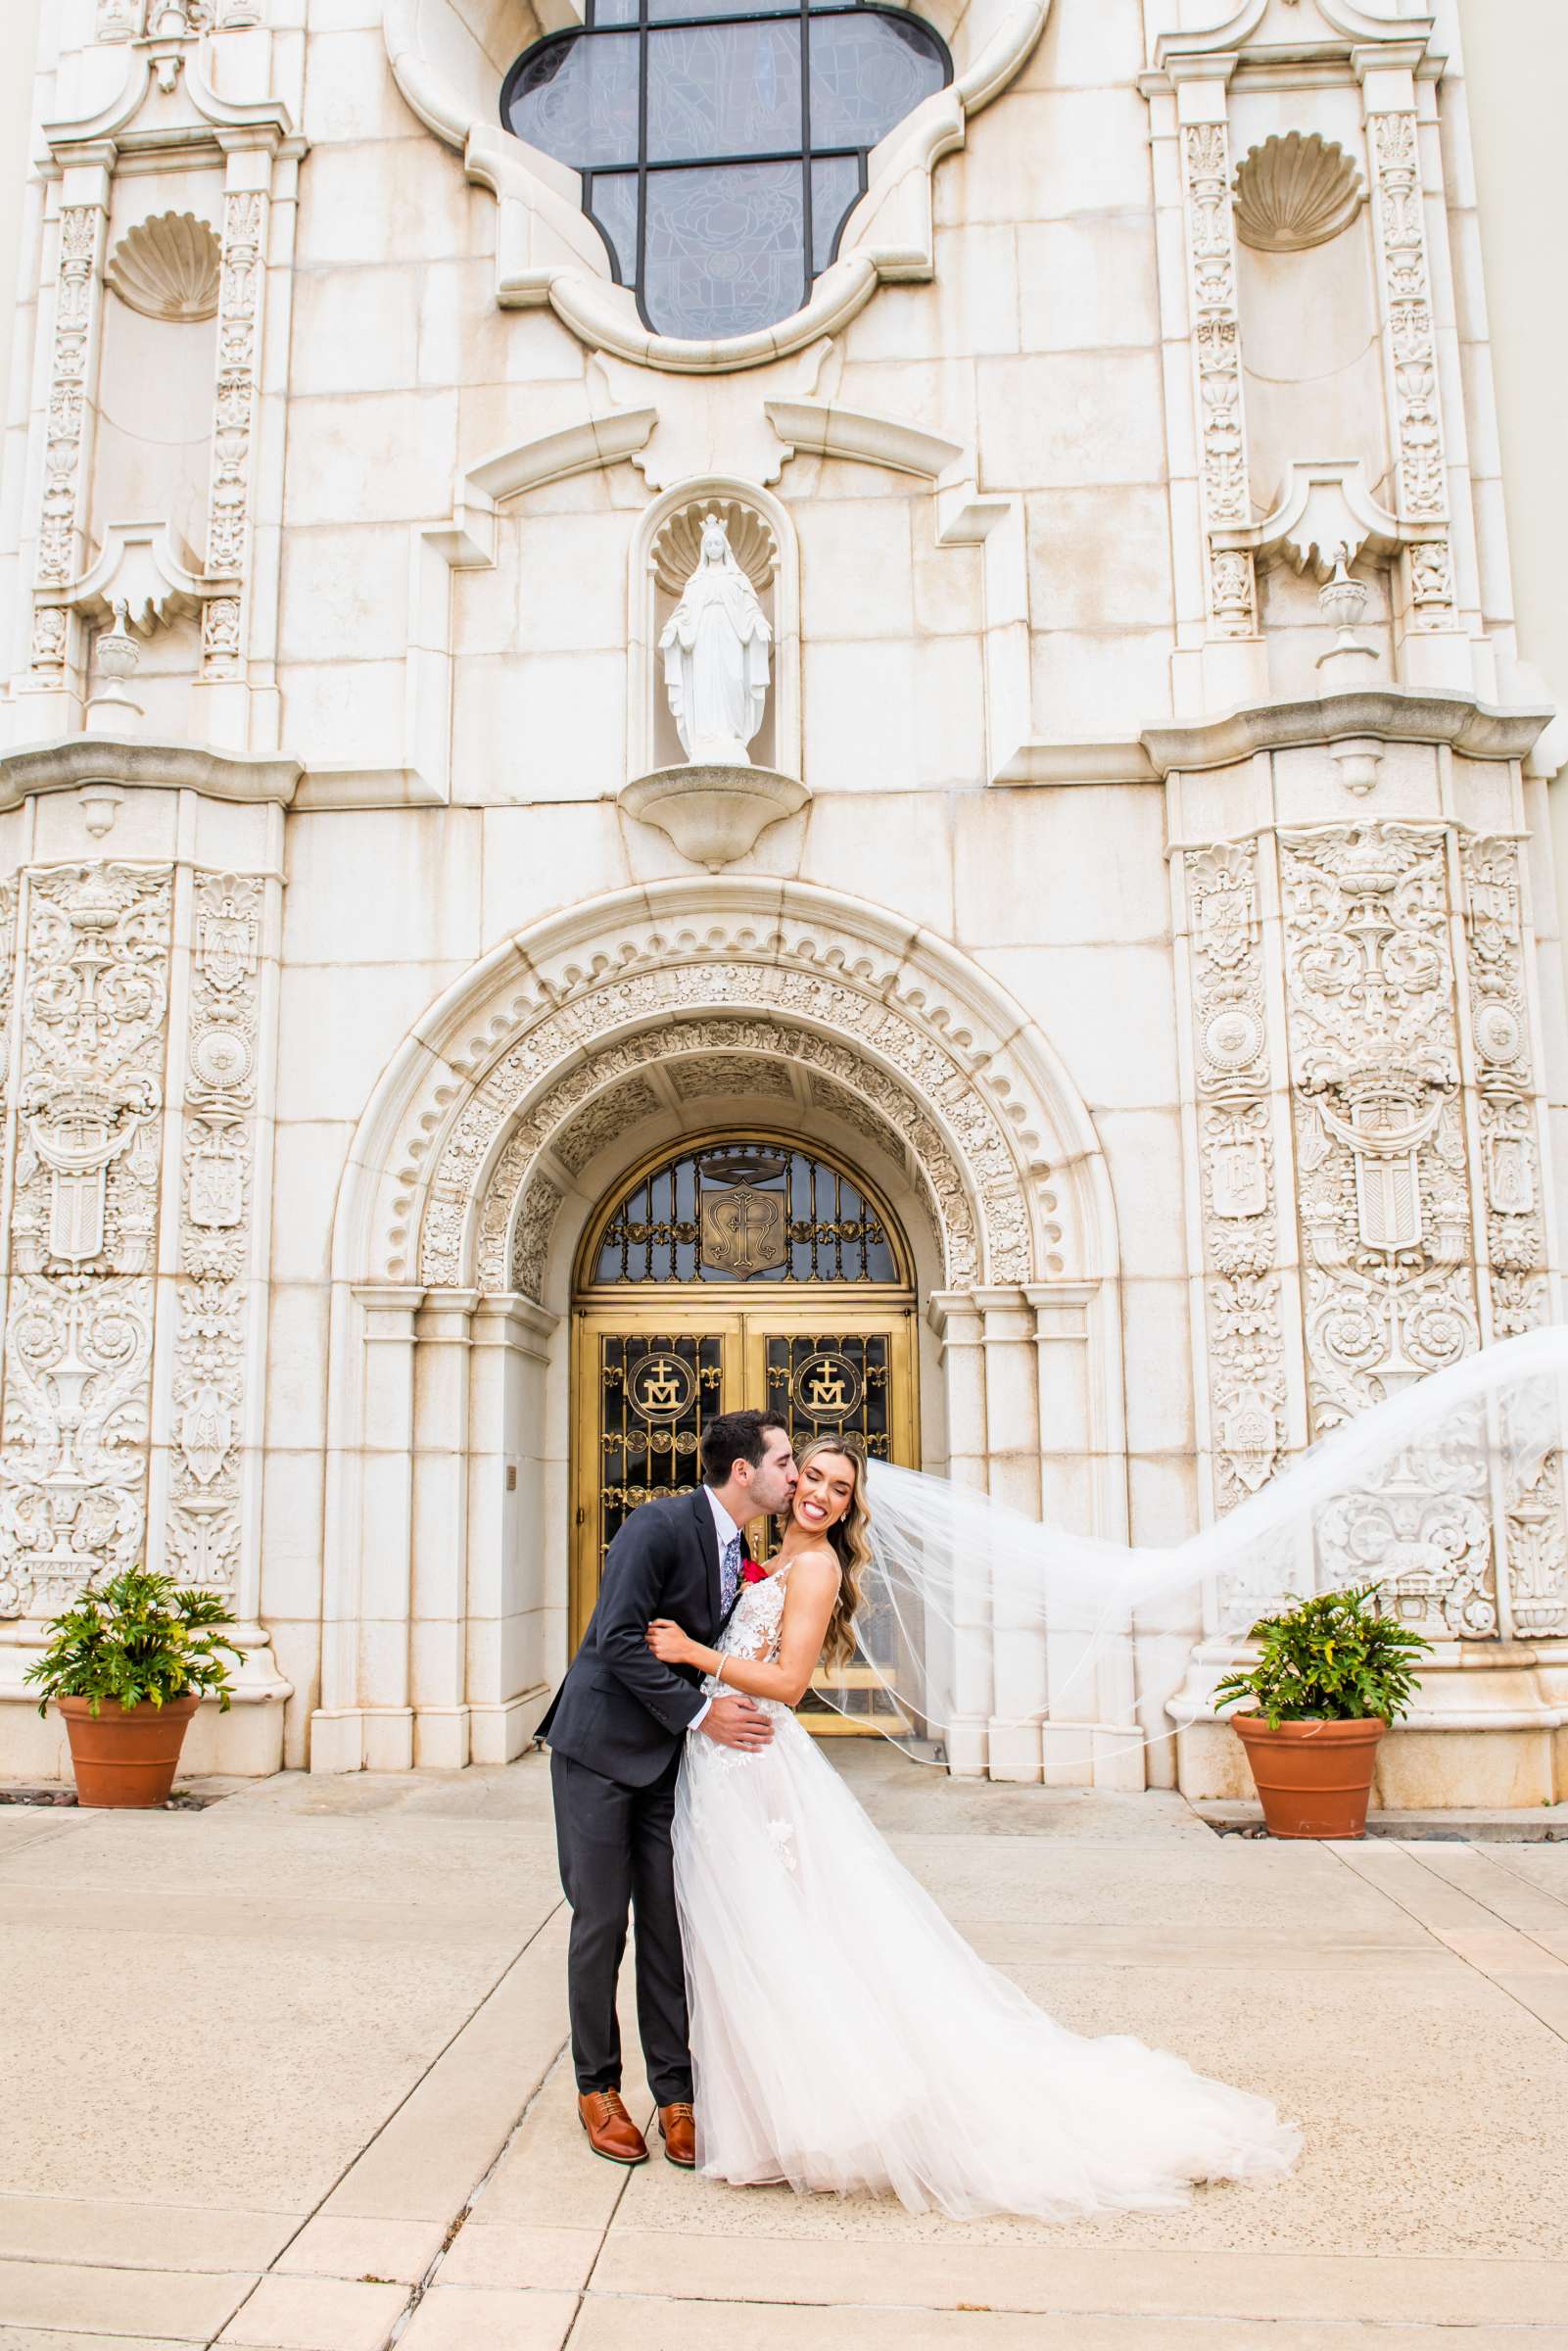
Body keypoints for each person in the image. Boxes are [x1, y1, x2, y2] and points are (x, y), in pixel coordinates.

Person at [645, 1434, 1302, 2218]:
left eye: (840, 1488)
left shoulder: (815, 1567)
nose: (819, 1493)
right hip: (724, 1765)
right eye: (811, 1477)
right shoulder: (768, 1558)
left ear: (853, 1506)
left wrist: (693, 1652)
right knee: (756, 1934)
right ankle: (769, 2113)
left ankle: (818, 2118)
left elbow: (787, 1684)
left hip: (756, 1764)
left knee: (787, 1929)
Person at [538, 1408, 798, 2169]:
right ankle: (598, 2089)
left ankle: (676, 2094)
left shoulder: (738, 1545)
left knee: (666, 1925)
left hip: (665, 1761)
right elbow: (615, 1638)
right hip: (596, 1750)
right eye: (784, 1461)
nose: (793, 1474)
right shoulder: (657, 1526)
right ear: (743, 1471)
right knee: (598, 1924)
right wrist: (700, 1712)